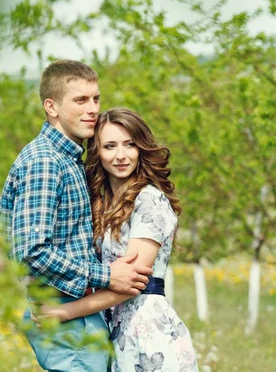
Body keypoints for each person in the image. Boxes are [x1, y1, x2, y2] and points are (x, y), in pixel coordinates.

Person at [0, 60, 153, 372]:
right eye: (80, 100)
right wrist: (107, 276)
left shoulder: (69, 160)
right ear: (51, 107)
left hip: (75, 310)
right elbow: (31, 252)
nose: (92, 109)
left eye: (95, 99)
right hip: (64, 308)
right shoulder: (45, 162)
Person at [37, 108, 198, 371]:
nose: (121, 156)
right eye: (110, 146)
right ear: (97, 153)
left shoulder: (150, 200)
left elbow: (131, 282)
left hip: (149, 334)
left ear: (141, 148)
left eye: (130, 145)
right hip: (116, 331)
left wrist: (64, 312)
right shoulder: (102, 203)